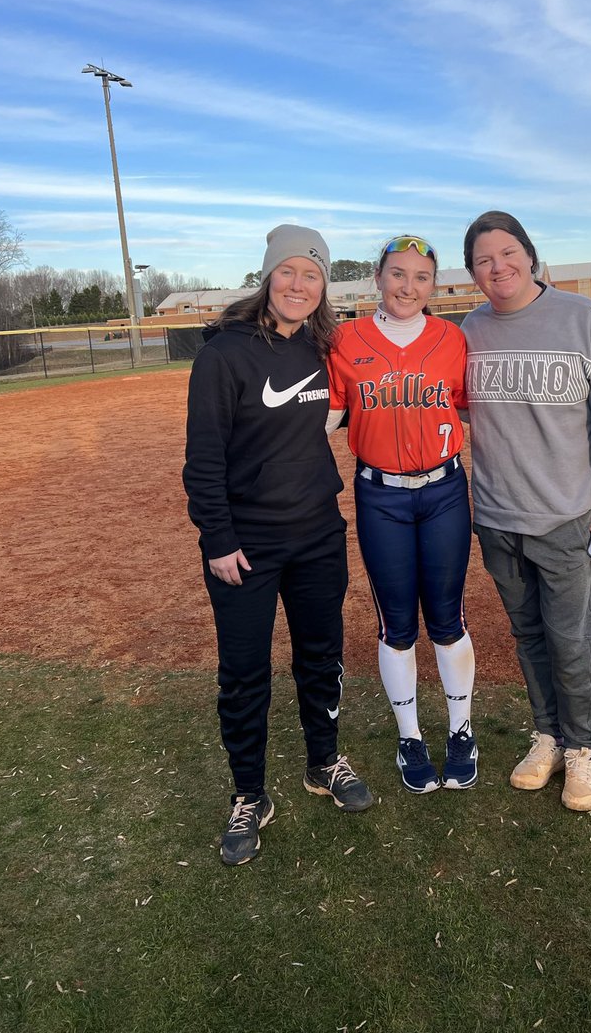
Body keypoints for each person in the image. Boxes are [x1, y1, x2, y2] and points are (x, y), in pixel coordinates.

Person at [183, 224, 374, 867]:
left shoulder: (323, 348)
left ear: (323, 288)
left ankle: (324, 761)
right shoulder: (224, 356)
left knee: (321, 656)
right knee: (244, 671)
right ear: (268, 276)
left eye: (312, 274)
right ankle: (249, 794)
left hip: (318, 534)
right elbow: (203, 459)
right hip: (247, 545)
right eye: (288, 271)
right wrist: (218, 539)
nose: (299, 284)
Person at [461, 212, 591, 812]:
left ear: (530, 256)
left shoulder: (582, 317)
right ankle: (548, 736)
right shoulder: (470, 330)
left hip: (565, 515)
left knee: (571, 640)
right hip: (494, 514)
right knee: (529, 635)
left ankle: (583, 749)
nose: (498, 267)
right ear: (472, 273)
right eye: (484, 260)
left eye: (508, 253)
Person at [326, 236, 477, 793]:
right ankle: (410, 735)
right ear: (377, 277)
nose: (407, 286)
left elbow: (472, 410)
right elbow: (328, 416)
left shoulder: (452, 339)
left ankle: (461, 729)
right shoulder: (345, 339)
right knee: (396, 625)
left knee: (447, 618)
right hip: (379, 495)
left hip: (443, 491)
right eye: (397, 274)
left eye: (420, 276)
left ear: (433, 285)